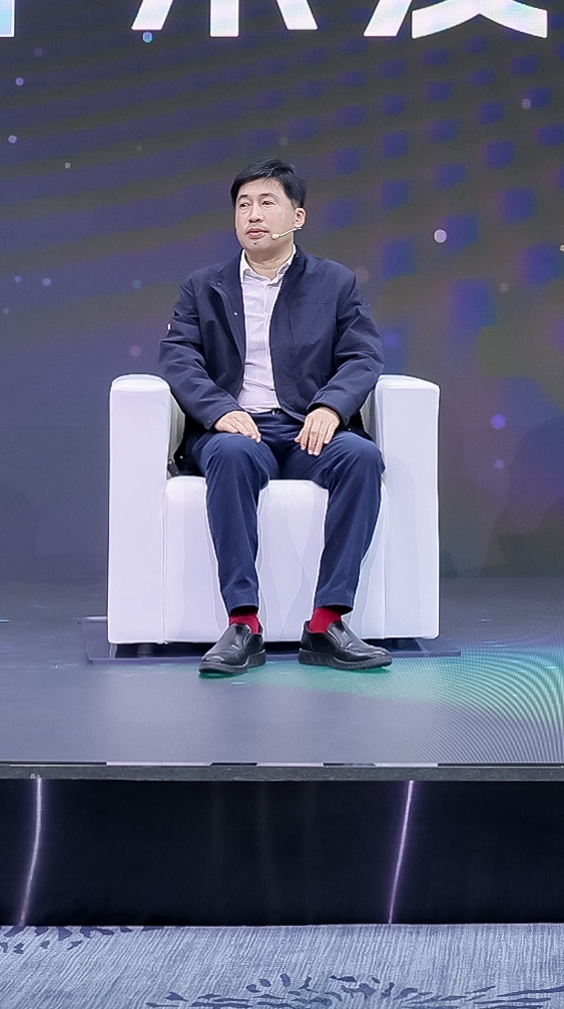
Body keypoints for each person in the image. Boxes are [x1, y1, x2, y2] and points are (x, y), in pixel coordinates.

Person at [156, 158, 391, 677]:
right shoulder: (203, 286)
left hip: (308, 427)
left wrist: (330, 406)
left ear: (298, 217)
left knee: (361, 457)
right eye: (243, 205)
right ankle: (243, 625)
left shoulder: (334, 282)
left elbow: (363, 355)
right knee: (231, 454)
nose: (253, 215)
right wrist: (219, 410)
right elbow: (178, 357)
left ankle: (327, 623)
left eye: (267, 203)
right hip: (237, 429)